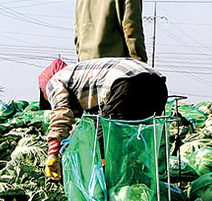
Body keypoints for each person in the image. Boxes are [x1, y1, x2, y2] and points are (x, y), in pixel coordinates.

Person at [39, 57, 168, 181]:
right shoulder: (81, 78)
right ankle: (141, 185)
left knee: (102, 147)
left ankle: (106, 191)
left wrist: (53, 153)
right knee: (137, 140)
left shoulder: (54, 81)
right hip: (158, 85)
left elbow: (61, 113)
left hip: (125, 83)